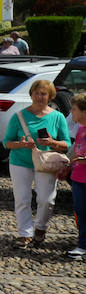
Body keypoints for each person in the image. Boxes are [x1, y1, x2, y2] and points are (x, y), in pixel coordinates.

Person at [3, 79, 71, 248]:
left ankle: (41, 228)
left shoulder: (57, 117)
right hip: (20, 161)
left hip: (46, 162)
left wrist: (52, 142)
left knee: (47, 199)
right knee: (22, 199)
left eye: (43, 93)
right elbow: (6, 142)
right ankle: (24, 234)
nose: (39, 96)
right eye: (36, 93)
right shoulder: (19, 116)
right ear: (31, 94)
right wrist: (21, 144)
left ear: (50, 97)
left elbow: (67, 144)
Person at [67, 93, 86, 260]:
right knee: (80, 211)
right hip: (78, 178)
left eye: (74, 109)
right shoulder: (80, 129)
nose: (71, 112)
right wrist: (66, 166)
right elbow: (76, 150)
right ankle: (82, 245)